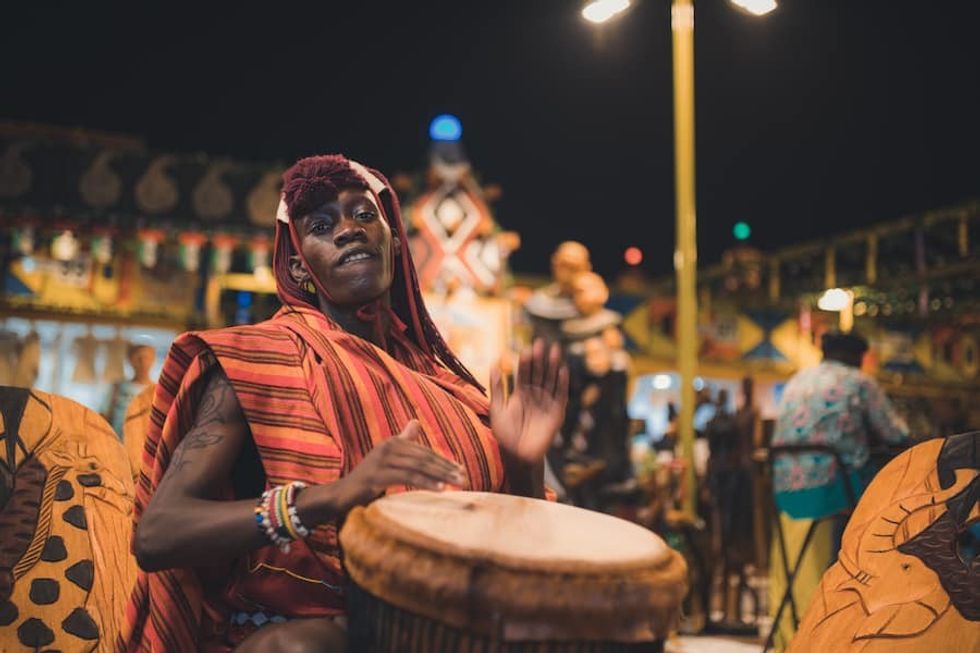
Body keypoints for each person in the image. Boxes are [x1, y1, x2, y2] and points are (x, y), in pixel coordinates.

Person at [120, 155, 568, 652]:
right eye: (321, 225)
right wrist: (332, 496)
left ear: (395, 241)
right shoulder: (257, 360)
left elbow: (513, 556)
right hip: (296, 633)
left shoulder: (449, 388)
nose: (349, 231)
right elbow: (158, 535)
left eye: (363, 215)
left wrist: (525, 464)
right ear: (298, 265)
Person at [768, 331, 909, 650]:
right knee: (894, 503)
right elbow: (896, 433)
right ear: (857, 357)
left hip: (785, 492)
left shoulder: (797, 381)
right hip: (833, 491)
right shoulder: (859, 383)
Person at [103, 343, 156, 436]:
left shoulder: (158, 391)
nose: (143, 362)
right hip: (116, 442)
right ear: (130, 360)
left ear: (153, 360)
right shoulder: (117, 387)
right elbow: (104, 416)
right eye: (138, 358)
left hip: (145, 445)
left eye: (147, 358)